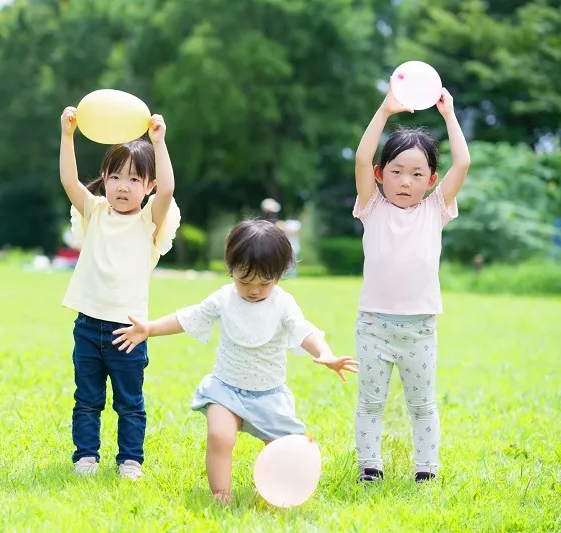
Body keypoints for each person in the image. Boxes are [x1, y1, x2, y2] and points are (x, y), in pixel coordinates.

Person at [111, 220, 358, 502]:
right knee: (220, 436)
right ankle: (221, 493)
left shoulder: (283, 303)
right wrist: (149, 328)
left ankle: (278, 492)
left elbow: (304, 330)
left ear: (279, 274)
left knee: (283, 447)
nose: (254, 290)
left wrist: (324, 352)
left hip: (269, 395)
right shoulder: (224, 298)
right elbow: (188, 317)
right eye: (244, 281)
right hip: (226, 389)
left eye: (264, 283)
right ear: (231, 270)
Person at [352, 80, 470, 483]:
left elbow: (464, 164)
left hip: (420, 328)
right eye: (397, 172)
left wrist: (449, 115)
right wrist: (384, 111)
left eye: (417, 174)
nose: (406, 182)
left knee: (423, 405)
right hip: (374, 325)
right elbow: (362, 157)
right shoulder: (372, 206)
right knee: (370, 402)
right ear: (381, 175)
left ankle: (427, 470)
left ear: (432, 179)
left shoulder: (436, 208)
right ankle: (370, 466)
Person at [58, 106, 181, 480]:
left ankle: (130, 460)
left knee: (130, 403)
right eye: (114, 177)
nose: (122, 186)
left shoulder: (149, 222)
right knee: (87, 400)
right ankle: (86, 457)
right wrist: (67, 136)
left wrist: (158, 143)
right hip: (88, 324)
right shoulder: (94, 212)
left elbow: (170, 187)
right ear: (105, 181)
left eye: (133, 179)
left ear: (149, 186)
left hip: (129, 332)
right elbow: (69, 181)